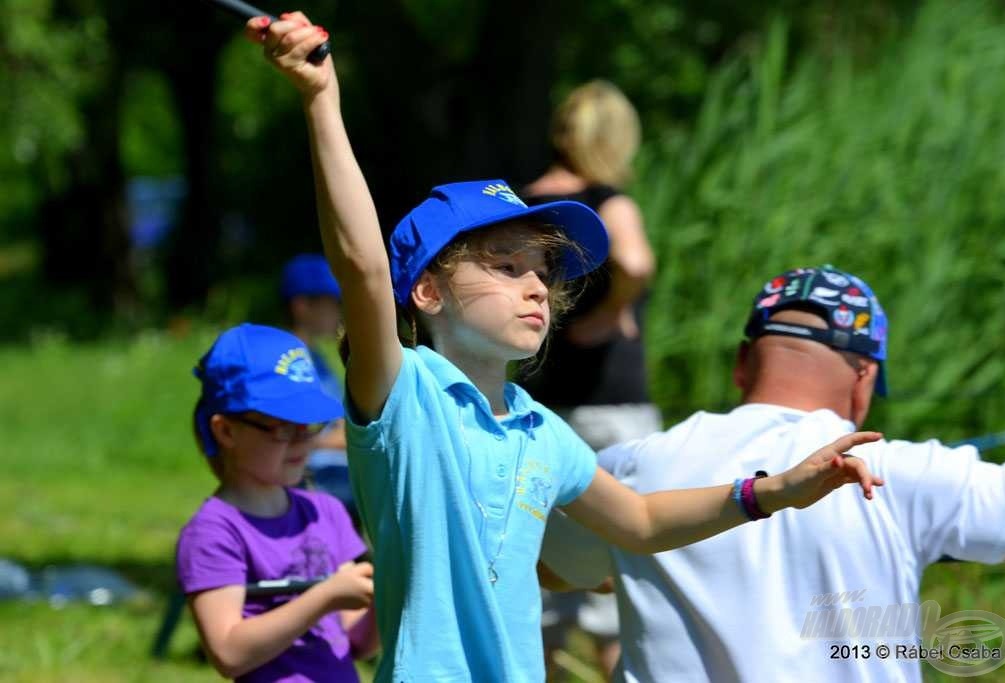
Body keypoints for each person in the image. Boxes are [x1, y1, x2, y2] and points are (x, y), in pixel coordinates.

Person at [243, 13, 885, 680]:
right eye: (504, 264)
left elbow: (637, 519)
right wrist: (321, 99)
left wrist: (774, 490)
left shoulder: (538, 429)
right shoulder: (403, 393)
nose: (536, 288)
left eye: (544, 271)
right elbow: (364, 268)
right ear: (427, 292)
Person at [540, 265, 1005, 683]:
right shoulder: (899, 471)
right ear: (866, 379)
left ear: (742, 363)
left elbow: (556, 571)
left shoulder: (629, 468)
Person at [521, 80, 657, 679]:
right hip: (612, 406)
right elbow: (635, 262)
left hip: (535, 403)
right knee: (619, 577)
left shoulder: (523, 203)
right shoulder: (608, 201)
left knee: (541, 578)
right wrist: (610, 314)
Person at [177, 323, 377, 682]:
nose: (302, 441)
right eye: (283, 426)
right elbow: (228, 653)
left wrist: (386, 600)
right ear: (226, 431)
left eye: (309, 425)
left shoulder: (324, 511)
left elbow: (356, 644)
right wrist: (325, 597)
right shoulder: (214, 532)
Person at [281, 253, 359, 526]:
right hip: (315, 473)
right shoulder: (287, 362)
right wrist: (345, 438)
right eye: (329, 305)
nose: (337, 313)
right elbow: (289, 437)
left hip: (339, 465)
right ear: (302, 306)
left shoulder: (319, 358)